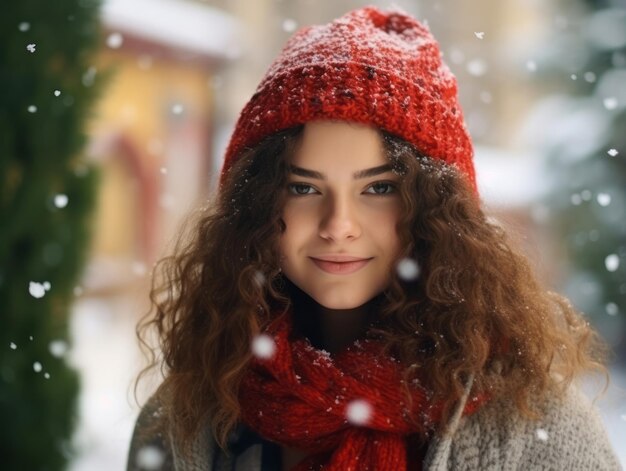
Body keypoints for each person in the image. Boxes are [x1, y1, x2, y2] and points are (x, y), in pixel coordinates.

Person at [127, 6, 620, 471]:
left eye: (379, 188)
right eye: (303, 187)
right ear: (256, 208)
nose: (338, 223)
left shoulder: (539, 427)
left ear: (437, 212)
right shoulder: (182, 419)